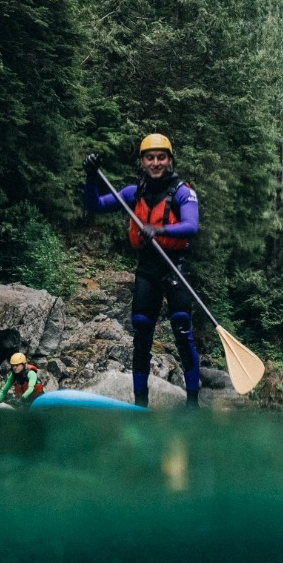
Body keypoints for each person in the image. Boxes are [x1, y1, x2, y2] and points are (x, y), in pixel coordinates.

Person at [83, 134, 202, 407]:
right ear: (142, 161)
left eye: (161, 157)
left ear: (170, 160)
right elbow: (94, 205)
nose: (156, 162)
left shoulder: (183, 192)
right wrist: (91, 176)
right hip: (147, 269)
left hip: (175, 266)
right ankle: (140, 403)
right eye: (150, 157)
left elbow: (191, 226)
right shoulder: (132, 192)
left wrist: (158, 229)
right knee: (142, 334)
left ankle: (193, 403)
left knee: (182, 330)